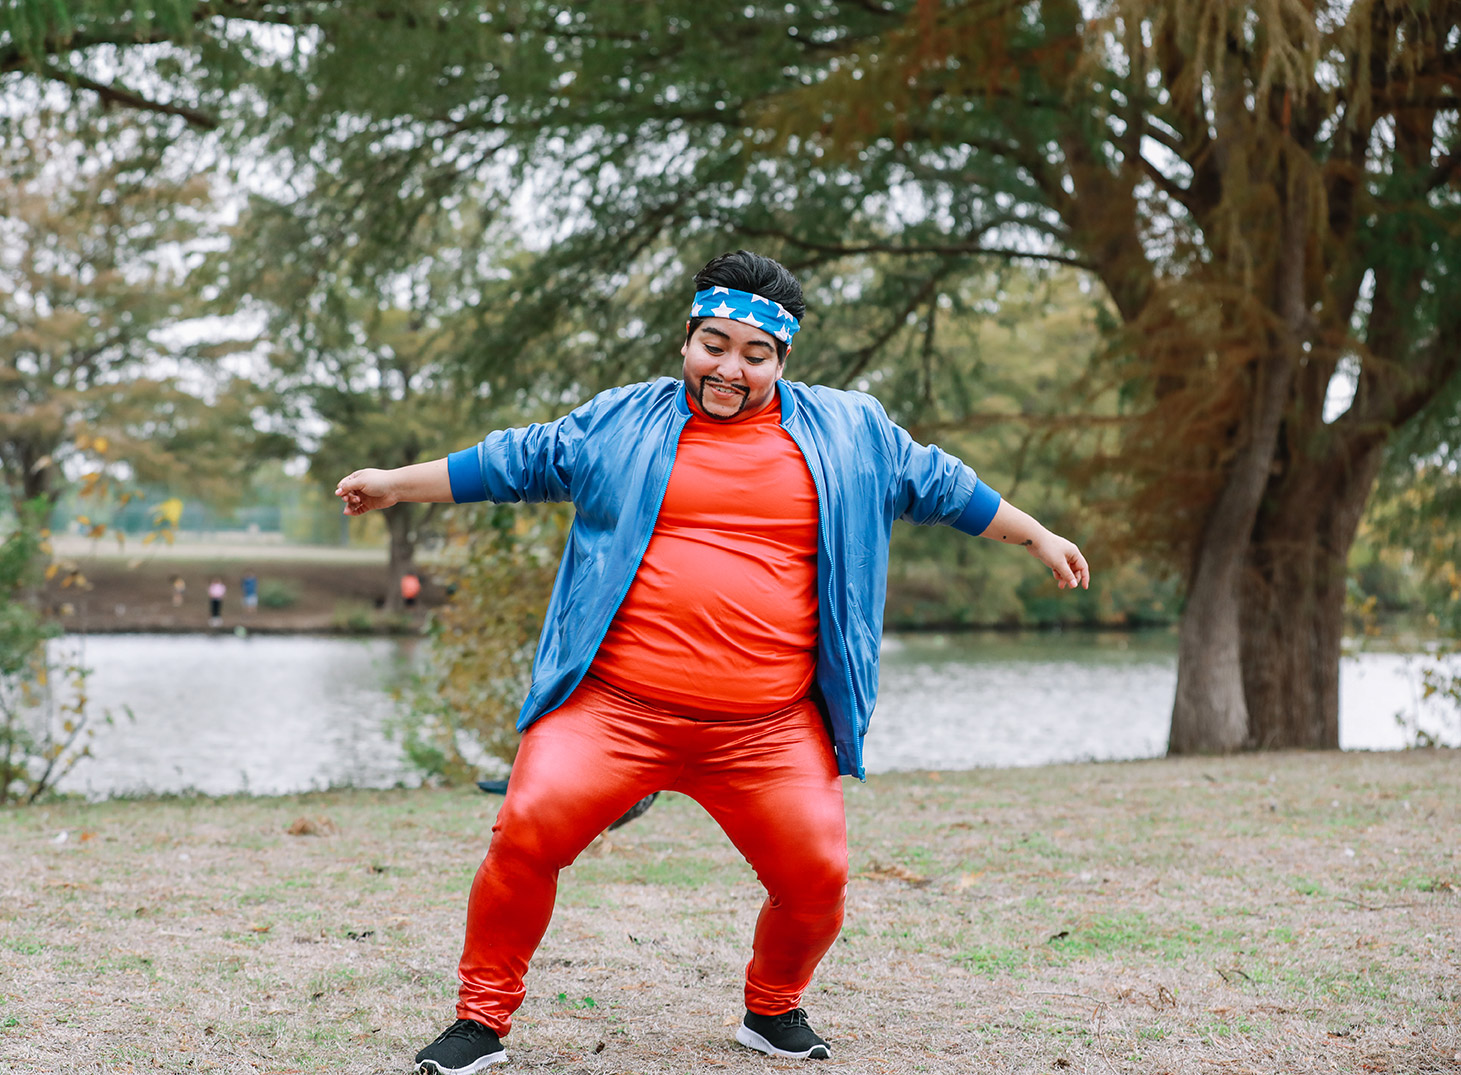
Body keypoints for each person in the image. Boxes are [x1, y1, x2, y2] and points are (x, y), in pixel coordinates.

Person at [335, 251, 1089, 1075]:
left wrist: (1037, 534)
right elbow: (513, 460)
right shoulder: (623, 421)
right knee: (525, 830)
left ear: (783, 359)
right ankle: (480, 1022)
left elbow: (945, 485)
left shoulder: (850, 430)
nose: (728, 368)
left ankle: (771, 1008)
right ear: (686, 341)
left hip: (765, 730)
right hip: (614, 711)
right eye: (712, 345)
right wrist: (396, 486)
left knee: (817, 879)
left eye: (752, 354)